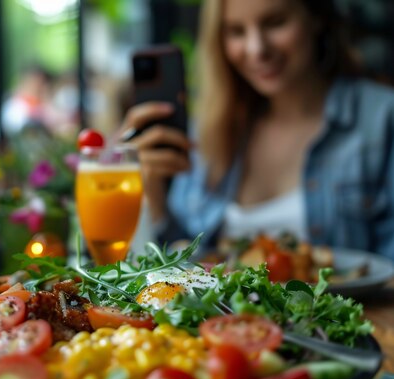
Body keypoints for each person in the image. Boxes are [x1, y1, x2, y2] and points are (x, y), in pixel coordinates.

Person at [120, 0, 394, 259]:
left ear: (316, 17)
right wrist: (152, 191)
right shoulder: (209, 129)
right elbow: (185, 258)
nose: (256, 49)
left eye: (275, 22)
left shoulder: (380, 119)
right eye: (236, 31)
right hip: (226, 311)